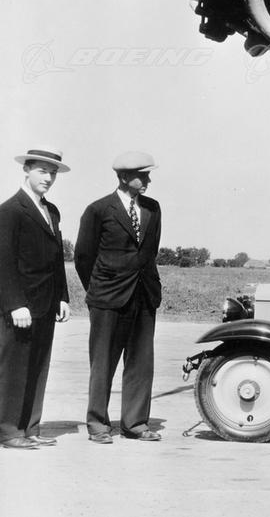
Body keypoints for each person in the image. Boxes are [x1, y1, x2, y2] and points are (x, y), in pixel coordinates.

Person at [75, 151, 162, 443]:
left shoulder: (153, 208)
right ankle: (98, 424)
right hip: (108, 298)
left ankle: (135, 423)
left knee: (141, 363)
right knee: (103, 363)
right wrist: (100, 289)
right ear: (124, 177)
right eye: (142, 175)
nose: (148, 180)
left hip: (144, 295)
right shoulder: (98, 210)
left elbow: (150, 251)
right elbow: (83, 256)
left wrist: (149, 287)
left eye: (148, 175)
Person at [0, 147, 71, 450]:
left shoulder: (51, 211)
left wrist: (63, 297)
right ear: (26, 170)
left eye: (53, 172)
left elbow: (56, 259)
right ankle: (8, 431)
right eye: (42, 171)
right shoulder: (10, 211)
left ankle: (30, 427)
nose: (49, 178)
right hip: (20, 307)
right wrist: (14, 303)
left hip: (46, 304)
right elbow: (3, 261)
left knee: (38, 367)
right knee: (14, 369)